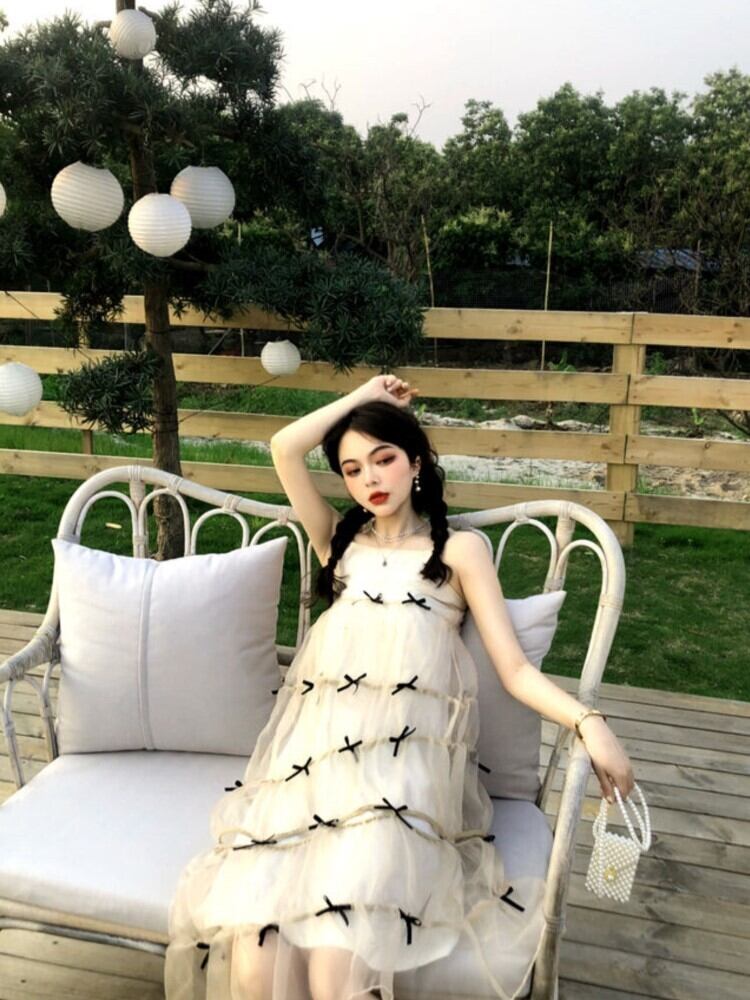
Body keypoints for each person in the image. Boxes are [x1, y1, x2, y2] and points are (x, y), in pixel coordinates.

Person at [165, 373, 634, 1000]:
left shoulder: (459, 551)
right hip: (311, 768)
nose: (370, 479)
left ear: (416, 462)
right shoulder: (339, 543)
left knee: (335, 963)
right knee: (255, 959)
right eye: (352, 469)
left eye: (383, 459)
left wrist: (589, 723)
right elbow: (283, 447)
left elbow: (515, 670)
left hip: (401, 774)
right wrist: (365, 395)